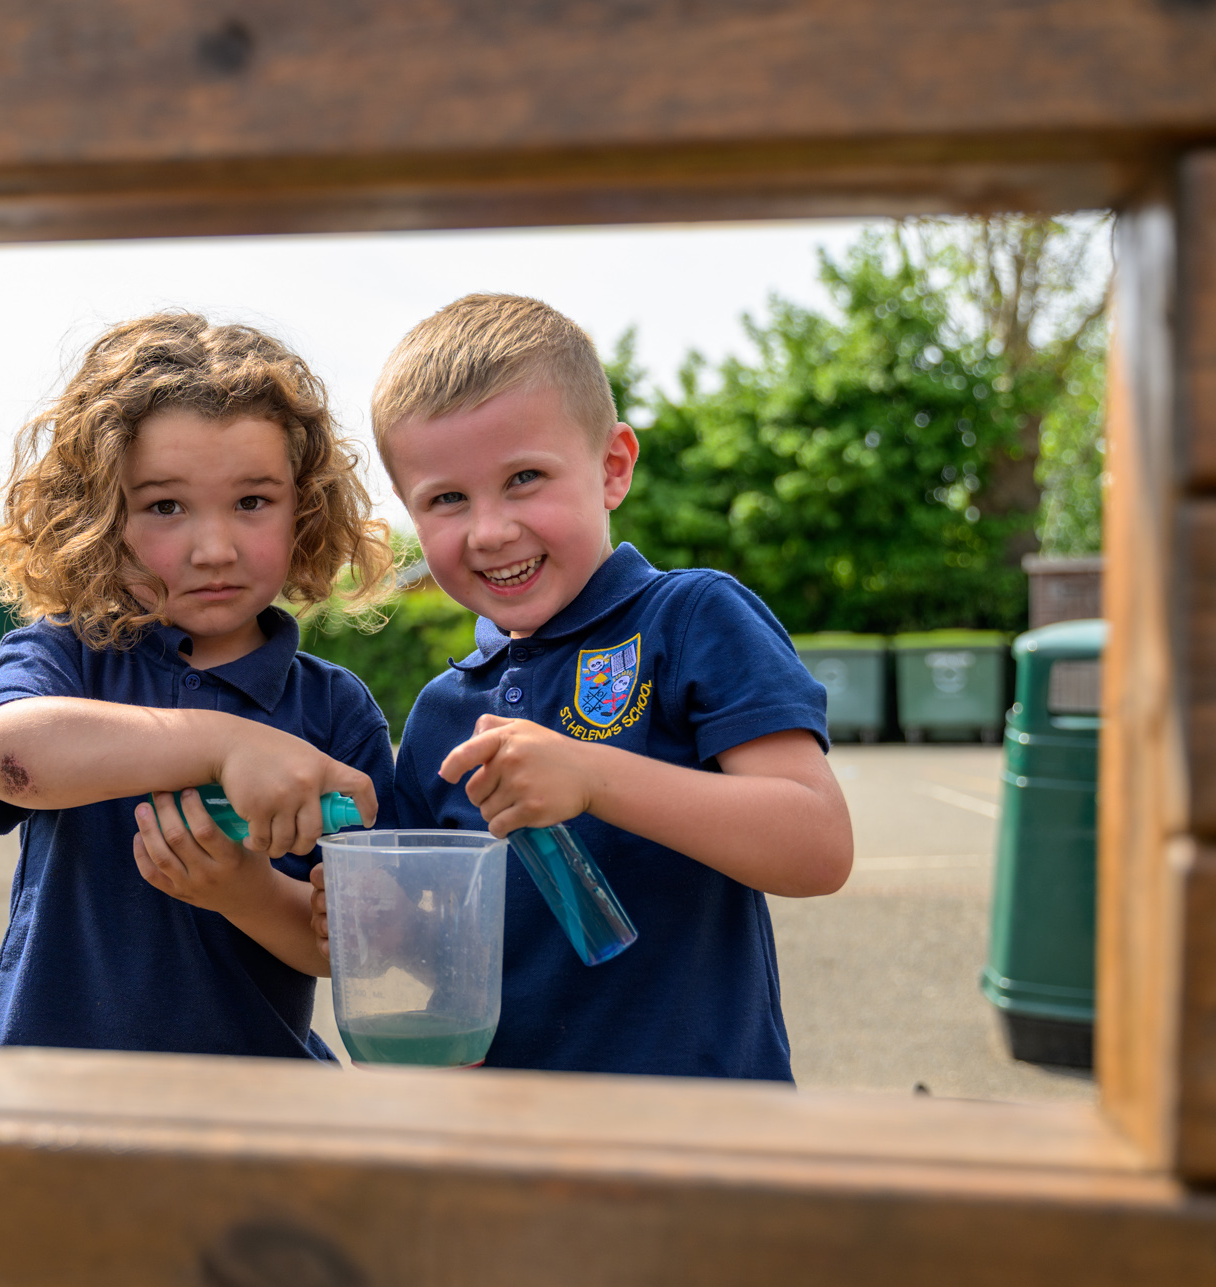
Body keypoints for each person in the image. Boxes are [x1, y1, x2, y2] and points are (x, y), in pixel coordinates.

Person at [316, 293, 853, 1079]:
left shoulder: (691, 619)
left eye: (525, 478)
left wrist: (593, 778)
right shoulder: (440, 716)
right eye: (448, 498)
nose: (491, 530)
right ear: (410, 512)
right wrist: (379, 917)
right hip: (506, 1131)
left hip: (699, 1126)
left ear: (612, 467)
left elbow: (818, 845)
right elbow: (439, 951)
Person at [0, 312, 397, 1060]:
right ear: (100, 517)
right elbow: (3, 757)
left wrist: (248, 893)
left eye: (252, 501)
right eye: (165, 506)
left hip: (255, 1101)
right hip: (56, 1098)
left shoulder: (336, 711)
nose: (215, 549)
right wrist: (226, 745)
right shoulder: (71, 656)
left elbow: (361, 948)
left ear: (304, 508)